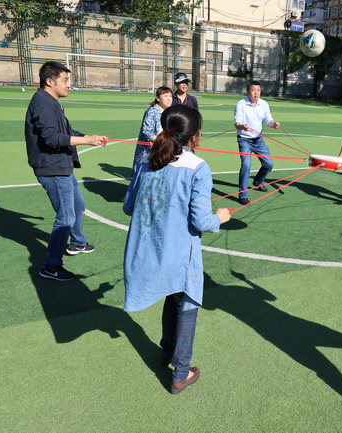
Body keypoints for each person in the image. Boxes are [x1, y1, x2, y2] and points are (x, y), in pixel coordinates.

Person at [123, 104, 232, 394]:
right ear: (194, 135)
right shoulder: (198, 167)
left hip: (147, 250)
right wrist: (220, 217)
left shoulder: (146, 161)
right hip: (179, 253)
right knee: (186, 305)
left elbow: (129, 206)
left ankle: (167, 352)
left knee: (173, 297)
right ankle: (181, 373)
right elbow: (201, 220)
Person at [25, 61, 108, 281]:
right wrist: (86, 141)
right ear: (49, 81)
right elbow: (52, 138)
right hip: (51, 167)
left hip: (62, 165)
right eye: (65, 80)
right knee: (65, 218)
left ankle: (77, 243)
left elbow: (66, 131)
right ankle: (51, 265)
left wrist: (90, 137)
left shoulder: (52, 102)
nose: (68, 84)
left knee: (78, 205)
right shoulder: (42, 103)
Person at [234, 80, 280, 205]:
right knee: (246, 166)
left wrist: (273, 124)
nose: (256, 93)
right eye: (253, 90)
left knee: (269, 164)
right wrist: (242, 126)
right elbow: (237, 123)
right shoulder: (241, 104)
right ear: (248, 91)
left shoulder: (264, 104)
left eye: (258, 90)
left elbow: (268, 119)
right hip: (244, 140)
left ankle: (258, 182)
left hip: (258, 140)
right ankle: (243, 195)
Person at [133, 86, 173, 166]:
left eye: (170, 96)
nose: (169, 99)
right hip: (148, 151)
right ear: (158, 98)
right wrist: (162, 141)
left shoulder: (170, 112)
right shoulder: (152, 111)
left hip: (162, 149)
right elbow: (147, 132)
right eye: (165, 96)